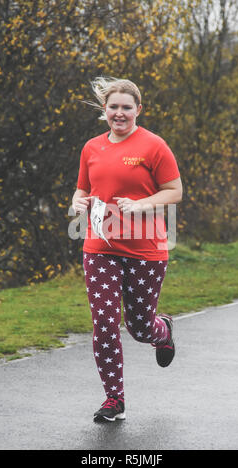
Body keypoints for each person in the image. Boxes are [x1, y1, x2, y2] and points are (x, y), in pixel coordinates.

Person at [71, 77, 182, 423]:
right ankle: (113, 398)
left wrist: (143, 204)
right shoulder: (91, 148)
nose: (120, 113)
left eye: (126, 107)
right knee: (104, 321)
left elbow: (174, 191)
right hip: (100, 247)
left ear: (138, 110)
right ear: (104, 111)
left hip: (145, 249)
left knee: (138, 327)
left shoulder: (154, 146)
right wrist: (77, 200)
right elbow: (82, 190)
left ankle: (160, 330)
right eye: (114, 107)